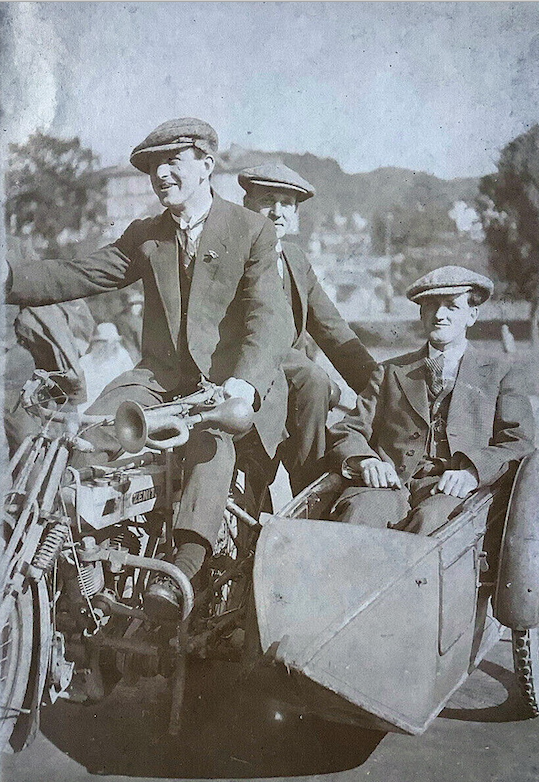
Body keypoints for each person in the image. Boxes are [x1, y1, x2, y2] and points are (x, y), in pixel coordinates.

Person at [6, 118, 294, 618]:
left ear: (206, 165)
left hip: (225, 384)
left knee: (209, 438)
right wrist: (9, 276)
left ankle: (187, 561)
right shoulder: (148, 234)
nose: (161, 174)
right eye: (153, 167)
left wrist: (242, 384)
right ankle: (79, 564)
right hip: (158, 378)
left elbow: (269, 318)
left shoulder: (251, 230)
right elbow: (81, 274)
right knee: (90, 433)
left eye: (172, 162)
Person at [328, 265, 535, 535]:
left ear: (472, 315)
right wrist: (367, 462)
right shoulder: (390, 371)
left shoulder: (500, 374)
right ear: (421, 313)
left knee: (433, 526)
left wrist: (472, 472)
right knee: (361, 514)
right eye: (431, 306)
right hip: (391, 485)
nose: (440, 315)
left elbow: (518, 442)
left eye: (451, 306)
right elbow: (349, 429)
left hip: (454, 491)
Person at [239, 163, 377, 493]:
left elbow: (332, 328)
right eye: (268, 200)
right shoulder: (231, 257)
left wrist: (381, 388)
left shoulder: (295, 259)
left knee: (315, 390)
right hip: (247, 383)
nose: (278, 212)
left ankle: (309, 508)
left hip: (300, 394)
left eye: (287, 204)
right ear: (247, 206)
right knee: (313, 380)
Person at [78, 322, 134, 412]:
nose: (103, 346)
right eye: (100, 341)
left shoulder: (123, 357)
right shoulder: (84, 362)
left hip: (115, 408)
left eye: (113, 342)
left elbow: (131, 385)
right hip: (88, 410)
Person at [115, 287, 144, 363]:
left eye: (140, 303)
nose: (138, 306)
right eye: (133, 304)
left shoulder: (118, 318)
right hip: (134, 357)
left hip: (122, 355)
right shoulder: (135, 321)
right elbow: (141, 344)